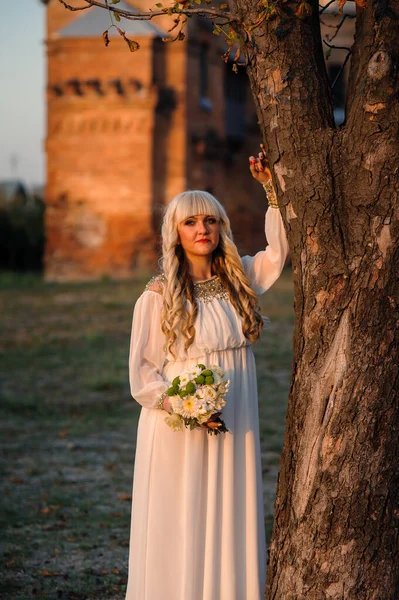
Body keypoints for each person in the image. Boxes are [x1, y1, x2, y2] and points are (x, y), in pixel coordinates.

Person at [125, 149, 289, 600]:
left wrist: (271, 192)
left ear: (221, 227)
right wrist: (185, 406)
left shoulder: (242, 279)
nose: (202, 230)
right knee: (183, 512)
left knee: (229, 508)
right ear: (175, 234)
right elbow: (143, 375)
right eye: (191, 223)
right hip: (179, 425)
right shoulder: (158, 296)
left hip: (237, 415)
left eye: (210, 221)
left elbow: (281, 251)